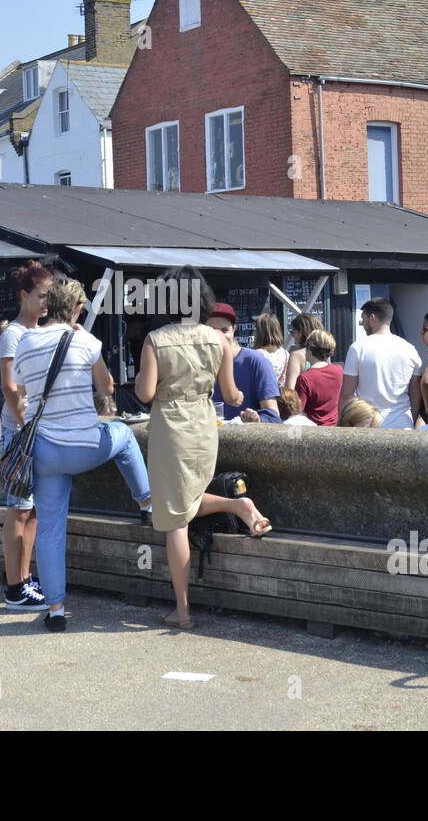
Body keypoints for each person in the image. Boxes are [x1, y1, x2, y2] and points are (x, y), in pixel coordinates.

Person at [135, 266, 269, 629]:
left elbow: (145, 394)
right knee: (184, 499)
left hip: (171, 427)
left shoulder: (156, 339)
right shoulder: (219, 340)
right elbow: (232, 395)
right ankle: (237, 504)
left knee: (174, 520)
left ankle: (182, 609)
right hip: (204, 425)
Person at [15, 277, 151, 632]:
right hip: (83, 446)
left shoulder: (27, 339)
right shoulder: (86, 341)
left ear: (48, 305)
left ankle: (56, 609)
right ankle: (146, 502)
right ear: (77, 308)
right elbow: (107, 387)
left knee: (49, 529)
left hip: (43, 450)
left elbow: (20, 386)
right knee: (122, 435)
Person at [0, 260, 55, 610]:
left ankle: (24, 578)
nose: (47, 303)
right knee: (18, 509)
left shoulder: (38, 332)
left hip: (32, 428)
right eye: (42, 296)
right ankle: (15, 587)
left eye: (50, 297)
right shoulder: (14, 334)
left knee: (31, 511)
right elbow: (9, 386)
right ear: (24, 296)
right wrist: (23, 428)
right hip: (20, 431)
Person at [340, 298, 422, 429]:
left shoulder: (358, 348)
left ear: (372, 318)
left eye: (363, 319)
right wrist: (411, 420)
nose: (362, 324)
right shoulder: (410, 349)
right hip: (402, 423)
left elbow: (347, 394)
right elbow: (415, 395)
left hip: (367, 423)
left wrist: (342, 425)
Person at [208, 303, 281, 422]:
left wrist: (257, 419)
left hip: (245, 438)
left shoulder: (257, 362)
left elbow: (273, 416)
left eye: (224, 330)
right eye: (212, 331)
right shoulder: (197, 364)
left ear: (234, 330)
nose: (218, 336)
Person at [294, 329, 343, 426]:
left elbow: (298, 411)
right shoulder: (339, 371)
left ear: (309, 348)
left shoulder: (304, 378)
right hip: (335, 428)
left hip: (313, 431)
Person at [284, 312, 323, 391]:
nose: (292, 335)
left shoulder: (296, 355)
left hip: (304, 402)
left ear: (301, 332)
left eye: (293, 331)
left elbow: (290, 391)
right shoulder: (324, 353)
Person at [253, 313, 290, 387]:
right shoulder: (286, 353)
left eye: (256, 329)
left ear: (260, 332)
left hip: (263, 397)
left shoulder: (256, 354)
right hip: (281, 396)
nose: (254, 332)